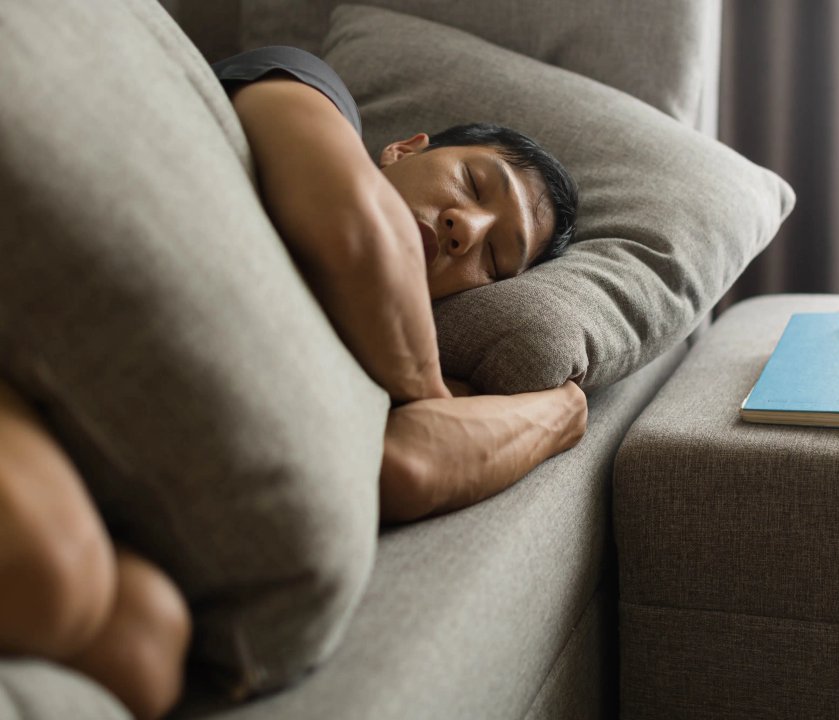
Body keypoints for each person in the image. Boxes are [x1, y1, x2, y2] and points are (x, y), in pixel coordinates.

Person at [0, 47, 585, 719]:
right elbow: (356, 234)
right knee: (51, 572)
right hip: (35, 322)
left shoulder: (364, 369)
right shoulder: (300, 86)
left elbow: (406, 466)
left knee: (144, 647)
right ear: (404, 148)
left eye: (495, 258)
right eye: (474, 187)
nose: (465, 229)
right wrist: (432, 395)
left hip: (108, 444)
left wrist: (564, 411)